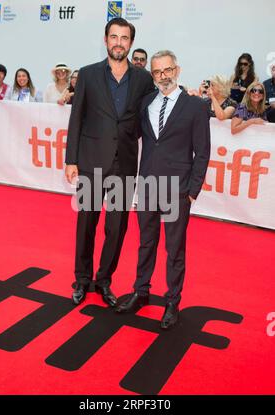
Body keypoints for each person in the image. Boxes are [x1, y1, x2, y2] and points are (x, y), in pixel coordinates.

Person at [116, 50, 211, 330]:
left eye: (167, 70)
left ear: (177, 70)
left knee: (174, 249)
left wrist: (192, 191)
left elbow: (202, 152)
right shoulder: (147, 103)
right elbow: (137, 138)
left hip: (177, 190)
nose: (163, 76)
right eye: (157, 72)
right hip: (147, 186)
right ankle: (141, 292)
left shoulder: (195, 106)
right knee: (146, 243)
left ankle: (172, 301)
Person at [65, 18, 154, 307]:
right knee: (86, 223)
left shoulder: (142, 79)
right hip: (91, 163)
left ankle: (103, 280)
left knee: (116, 228)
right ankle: (81, 278)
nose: (118, 42)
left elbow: (150, 115)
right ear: (105, 40)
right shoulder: (89, 75)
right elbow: (76, 117)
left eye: (124, 38)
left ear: (130, 42)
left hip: (124, 165)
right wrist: (71, 160)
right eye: (113, 37)